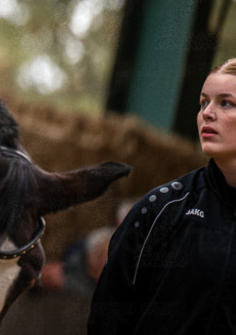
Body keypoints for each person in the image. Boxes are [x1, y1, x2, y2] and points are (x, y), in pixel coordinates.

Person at [88, 59, 236, 333]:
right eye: (204, 103)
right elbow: (108, 316)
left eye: (226, 103)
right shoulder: (161, 209)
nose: (207, 113)